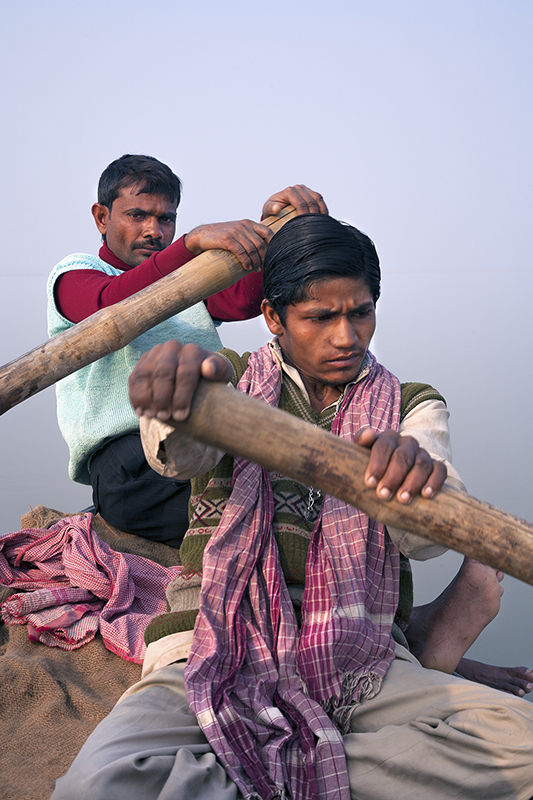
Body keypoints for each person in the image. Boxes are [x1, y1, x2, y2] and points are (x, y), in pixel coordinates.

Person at [52, 213, 533, 800]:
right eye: (320, 317)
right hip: (211, 645)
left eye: (360, 312)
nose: (346, 336)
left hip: (362, 661)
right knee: (92, 785)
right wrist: (173, 396)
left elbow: (428, 541)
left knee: (521, 743)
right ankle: (307, 757)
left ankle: (276, 760)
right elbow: (175, 455)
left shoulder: (411, 406)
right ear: (274, 318)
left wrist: (415, 482)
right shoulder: (227, 377)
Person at [46, 154, 326, 546]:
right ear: (101, 218)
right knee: (287, 519)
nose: (154, 230)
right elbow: (109, 307)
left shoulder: (186, 284)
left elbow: (244, 299)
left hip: (207, 444)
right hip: (132, 468)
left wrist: (274, 232)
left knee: (315, 499)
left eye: (166, 219)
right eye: (137, 215)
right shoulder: (77, 274)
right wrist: (191, 243)